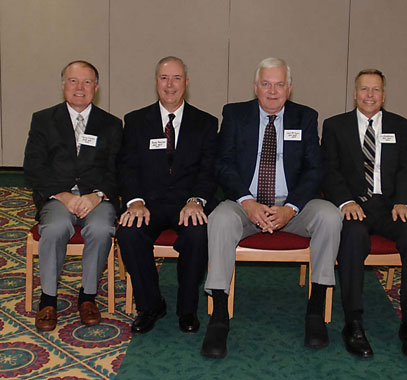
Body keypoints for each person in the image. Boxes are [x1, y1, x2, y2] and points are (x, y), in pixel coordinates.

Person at [201, 57, 342, 359]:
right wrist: (247, 202)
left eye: (279, 85)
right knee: (220, 219)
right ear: (255, 87)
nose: (273, 91)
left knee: (330, 216)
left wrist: (290, 208)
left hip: (292, 205)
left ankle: (315, 310)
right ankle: (219, 316)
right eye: (266, 84)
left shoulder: (305, 117)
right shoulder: (235, 115)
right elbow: (223, 164)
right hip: (245, 202)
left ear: (289, 89)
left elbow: (314, 170)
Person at [321, 69, 407, 358]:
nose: (370, 95)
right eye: (364, 90)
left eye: (376, 90)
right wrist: (344, 202)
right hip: (354, 205)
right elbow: (329, 171)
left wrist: (404, 201)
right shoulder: (335, 126)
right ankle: (353, 322)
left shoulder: (401, 126)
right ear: (355, 94)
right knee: (353, 238)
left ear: (384, 94)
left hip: (390, 205)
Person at [117, 56, 218, 335]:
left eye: (176, 78)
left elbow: (209, 171)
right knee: (128, 232)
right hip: (147, 203)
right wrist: (135, 201)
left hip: (187, 203)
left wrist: (196, 200)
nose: (170, 85)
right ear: (155, 82)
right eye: (164, 78)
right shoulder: (135, 121)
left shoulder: (206, 123)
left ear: (186, 82)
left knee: (198, 233)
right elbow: (127, 167)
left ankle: (187, 309)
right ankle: (150, 305)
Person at [24, 60, 122, 331]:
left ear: (97, 87)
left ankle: (88, 297)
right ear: (63, 84)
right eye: (73, 81)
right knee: (55, 227)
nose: (80, 88)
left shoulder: (112, 124)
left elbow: (117, 169)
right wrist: (63, 195)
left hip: (96, 198)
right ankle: (48, 299)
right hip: (57, 197)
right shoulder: (43, 119)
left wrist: (97, 195)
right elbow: (34, 166)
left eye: (87, 82)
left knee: (102, 228)